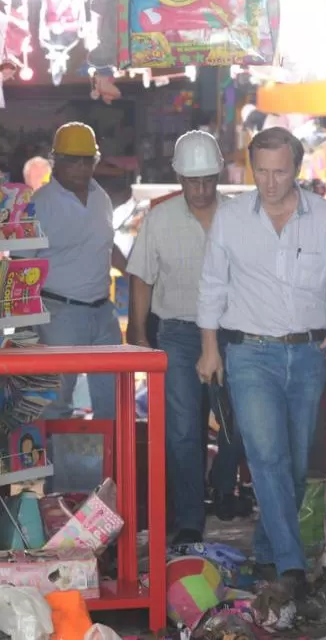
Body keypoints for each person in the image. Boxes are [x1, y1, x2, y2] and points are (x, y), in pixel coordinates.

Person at [196, 127, 326, 602]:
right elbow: (213, 286)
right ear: (252, 167)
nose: (270, 182)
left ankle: (269, 551)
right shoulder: (231, 220)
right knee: (267, 458)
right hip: (249, 354)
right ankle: (292, 570)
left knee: (292, 468)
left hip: (309, 355)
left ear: (296, 168)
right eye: (261, 171)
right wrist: (210, 349)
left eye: (279, 172)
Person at [126, 130, 247, 543]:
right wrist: (138, 333)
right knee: (181, 428)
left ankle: (224, 488)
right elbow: (141, 277)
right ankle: (191, 518)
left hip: (233, 333)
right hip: (177, 333)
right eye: (192, 181)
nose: (200, 189)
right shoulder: (159, 219)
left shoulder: (240, 216)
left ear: (218, 176)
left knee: (237, 422)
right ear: (179, 178)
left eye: (207, 180)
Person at [26, 122, 129, 419]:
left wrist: (137, 273)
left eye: (87, 161)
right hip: (59, 314)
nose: (81, 168)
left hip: (102, 313)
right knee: (57, 404)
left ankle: (109, 466)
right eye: (73, 161)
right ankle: (57, 466)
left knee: (112, 402)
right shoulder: (41, 204)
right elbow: (23, 266)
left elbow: (106, 245)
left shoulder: (101, 197)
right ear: (56, 162)